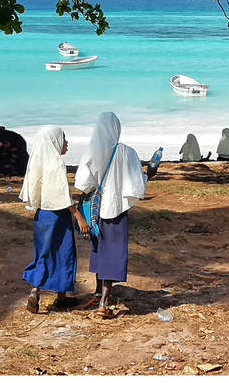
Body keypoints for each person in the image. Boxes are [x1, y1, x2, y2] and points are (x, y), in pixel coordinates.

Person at [74, 111, 147, 318]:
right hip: (115, 210)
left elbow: (82, 183)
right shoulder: (126, 152)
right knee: (113, 254)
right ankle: (104, 303)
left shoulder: (90, 152)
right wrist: (149, 175)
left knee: (99, 251)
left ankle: (99, 293)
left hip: (95, 213)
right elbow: (136, 186)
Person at [19, 125, 90, 314]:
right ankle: (59, 297)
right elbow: (62, 194)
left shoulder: (36, 162)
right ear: (53, 141)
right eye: (63, 139)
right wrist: (78, 216)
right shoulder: (56, 163)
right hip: (58, 216)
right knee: (64, 253)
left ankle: (37, 291)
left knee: (43, 253)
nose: (67, 143)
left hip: (42, 215)